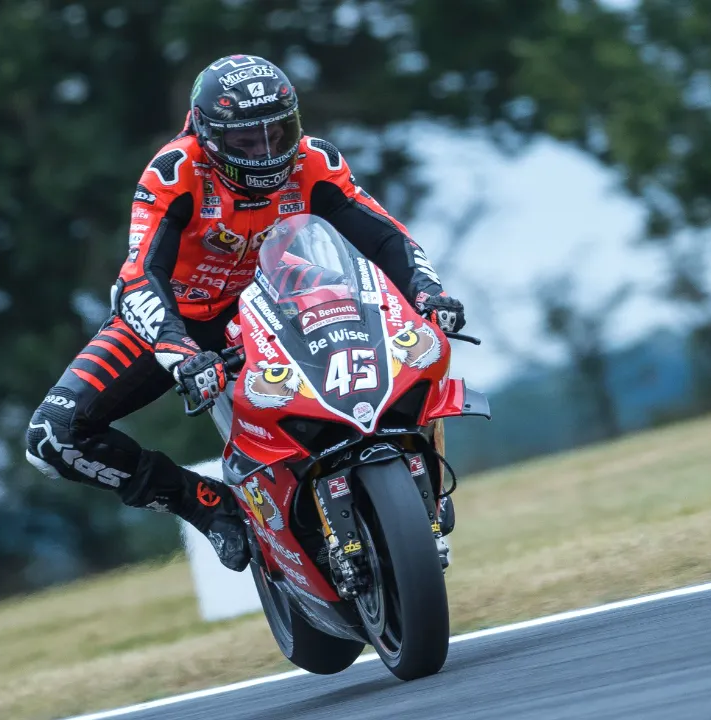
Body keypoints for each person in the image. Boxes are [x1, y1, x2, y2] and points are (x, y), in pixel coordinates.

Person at [26, 55, 466, 572]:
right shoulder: (173, 172)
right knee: (50, 437)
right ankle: (205, 504)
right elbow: (140, 275)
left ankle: (419, 472)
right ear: (209, 135)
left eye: (278, 134)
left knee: (418, 339)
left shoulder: (314, 161)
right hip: (177, 318)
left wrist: (428, 294)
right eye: (246, 142)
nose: (265, 152)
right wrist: (180, 350)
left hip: (282, 296)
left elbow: (386, 236)